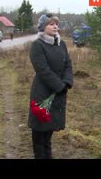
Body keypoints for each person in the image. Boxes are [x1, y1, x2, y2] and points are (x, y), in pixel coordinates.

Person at [28, 13, 73, 159]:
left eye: (56, 24)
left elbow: (68, 64)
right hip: (42, 94)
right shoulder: (37, 45)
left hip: (58, 94)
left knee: (48, 135)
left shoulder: (62, 44)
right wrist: (59, 86)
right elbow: (43, 70)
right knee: (39, 135)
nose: (55, 27)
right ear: (43, 27)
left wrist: (67, 82)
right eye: (51, 24)